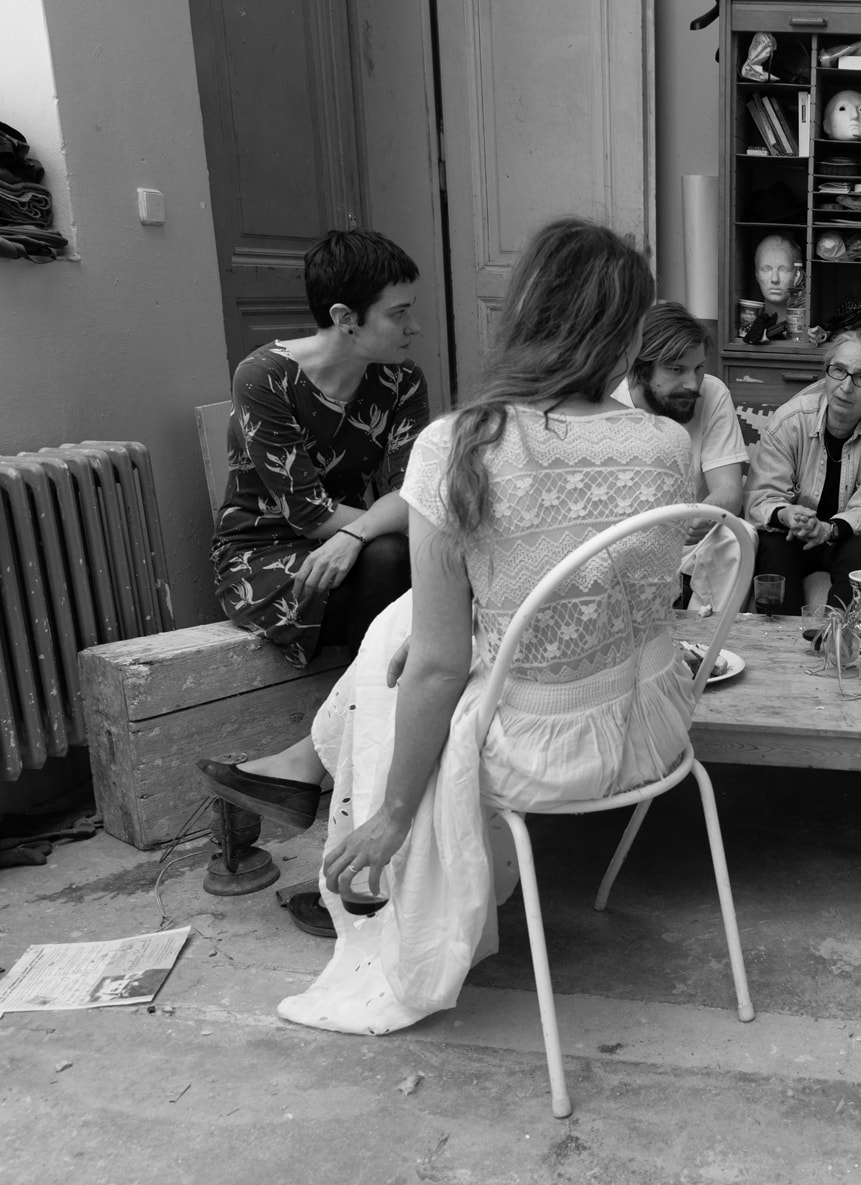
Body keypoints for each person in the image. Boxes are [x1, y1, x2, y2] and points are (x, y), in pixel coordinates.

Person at [197, 218, 694, 1034]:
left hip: (540, 750)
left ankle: (359, 847)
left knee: (405, 658)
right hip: (654, 726)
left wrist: (394, 814)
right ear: (626, 333)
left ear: (526, 313)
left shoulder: (461, 445)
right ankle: (307, 769)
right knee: (400, 631)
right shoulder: (668, 443)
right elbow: (595, 584)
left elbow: (438, 668)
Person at [211, 229, 430, 667]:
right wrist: (368, 529)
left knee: (409, 566)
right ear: (346, 317)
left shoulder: (402, 379)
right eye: (398, 314)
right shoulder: (264, 377)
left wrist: (356, 534)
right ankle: (368, 699)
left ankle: (365, 698)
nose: (414, 326)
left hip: (357, 545)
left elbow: (412, 493)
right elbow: (308, 513)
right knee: (401, 573)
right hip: (264, 558)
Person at [744, 329, 861, 613]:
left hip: (847, 539)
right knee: (773, 545)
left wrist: (829, 529)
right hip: (793, 536)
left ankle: (844, 635)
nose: (846, 387)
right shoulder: (790, 420)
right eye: (839, 371)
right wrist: (785, 514)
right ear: (826, 372)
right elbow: (760, 497)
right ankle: (777, 636)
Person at [615, 302, 749, 611]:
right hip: (621, 542)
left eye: (699, 368)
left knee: (736, 536)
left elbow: (729, 490)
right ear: (639, 369)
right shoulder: (607, 400)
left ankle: (708, 636)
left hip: (688, 541)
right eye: (676, 369)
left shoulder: (713, 392)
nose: (693, 383)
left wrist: (703, 513)